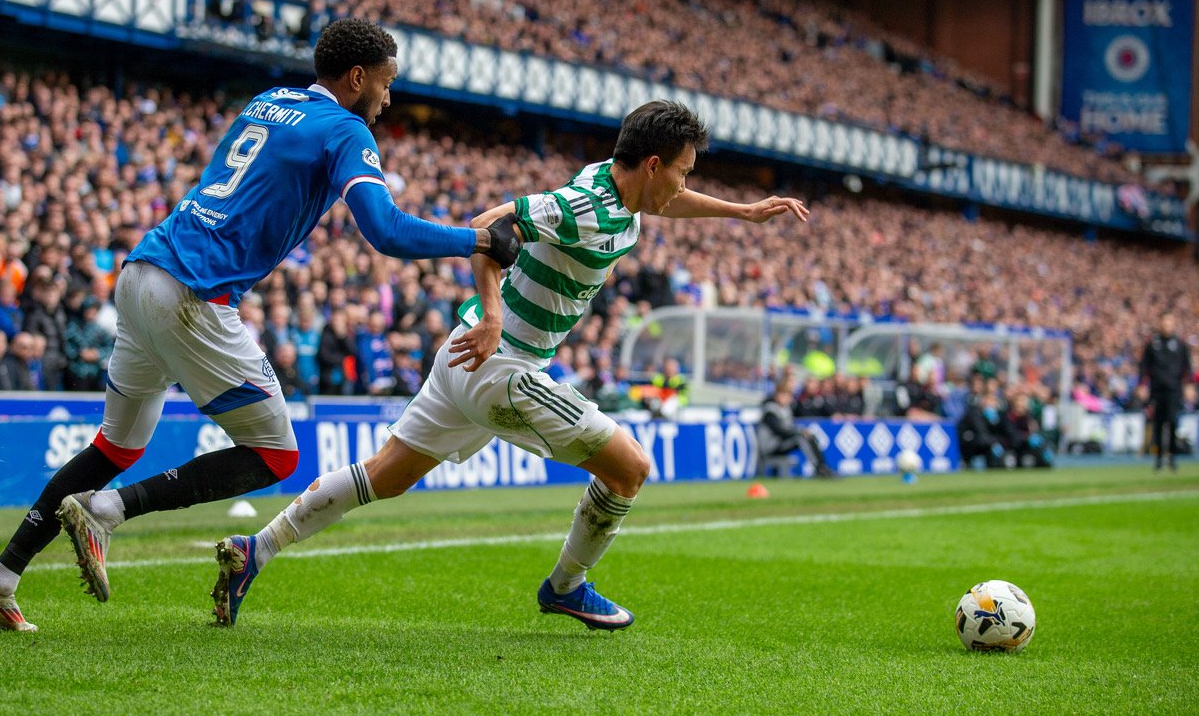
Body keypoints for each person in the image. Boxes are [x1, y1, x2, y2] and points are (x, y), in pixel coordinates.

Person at [0, 18, 522, 632]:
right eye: (386, 84)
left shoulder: (267, 100)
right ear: (357, 77)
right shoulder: (345, 129)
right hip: (193, 295)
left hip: (142, 271)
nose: (388, 99)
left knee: (114, 445)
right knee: (276, 458)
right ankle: (105, 511)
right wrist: (478, 237)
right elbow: (384, 230)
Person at [209, 100, 809, 631]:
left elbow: (667, 204)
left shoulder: (621, 190)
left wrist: (743, 212)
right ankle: (566, 588)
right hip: (502, 362)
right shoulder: (587, 203)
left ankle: (254, 550)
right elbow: (487, 227)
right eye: (682, 170)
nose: (683, 185)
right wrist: (495, 315)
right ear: (653, 164)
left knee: (385, 476)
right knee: (630, 469)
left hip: (461, 355)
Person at [1139, 313, 1191, 471]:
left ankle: (1172, 457)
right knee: (1158, 424)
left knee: (1173, 422)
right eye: (1164, 323)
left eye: (1169, 323)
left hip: (1174, 389)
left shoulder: (1180, 344)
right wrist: (1142, 384)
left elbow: (1186, 367)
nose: (1166, 326)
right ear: (1160, 324)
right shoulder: (1152, 344)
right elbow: (1144, 366)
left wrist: (1189, 385)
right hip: (1157, 389)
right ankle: (1159, 458)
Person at [757, 376, 835, 478]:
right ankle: (818, 469)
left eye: (788, 395)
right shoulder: (770, 410)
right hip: (771, 446)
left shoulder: (786, 408)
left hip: (780, 443)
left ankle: (822, 466)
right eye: (783, 395)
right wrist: (799, 431)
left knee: (808, 436)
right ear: (777, 395)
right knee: (801, 437)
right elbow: (779, 431)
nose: (786, 398)